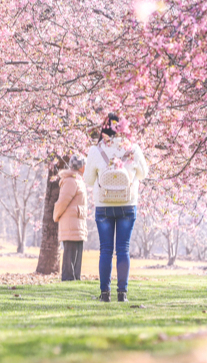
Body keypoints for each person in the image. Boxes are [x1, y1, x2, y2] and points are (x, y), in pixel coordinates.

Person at [84, 113, 149, 302]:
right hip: (127, 204)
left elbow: (88, 180)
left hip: (104, 205)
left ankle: (105, 294)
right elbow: (143, 174)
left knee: (105, 249)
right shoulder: (133, 149)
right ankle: (123, 294)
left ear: (104, 128)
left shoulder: (96, 150)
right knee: (123, 249)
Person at [53, 154, 88, 281]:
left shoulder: (76, 180)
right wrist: (56, 216)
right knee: (70, 252)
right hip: (71, 222)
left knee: (76, 252)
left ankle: (75, 277)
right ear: (81, 167)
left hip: (77, 222)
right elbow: (62, 202)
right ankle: (68, 278)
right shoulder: (70, 181)